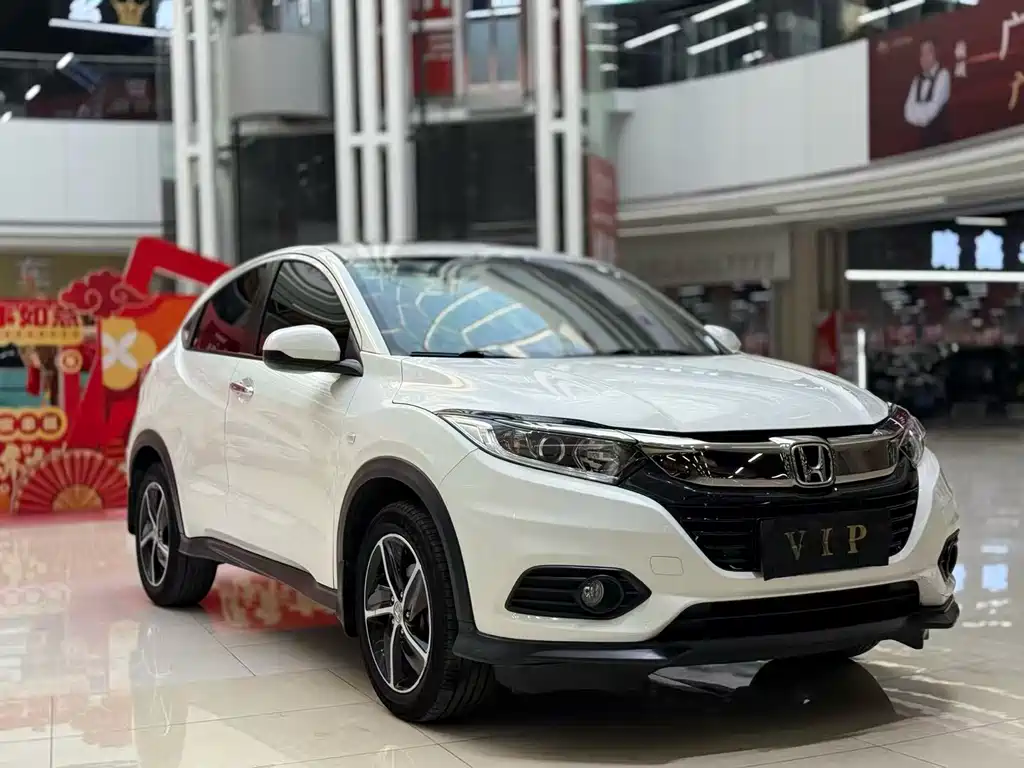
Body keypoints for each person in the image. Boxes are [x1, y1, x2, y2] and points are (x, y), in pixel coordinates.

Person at [903, 40, 951, 149]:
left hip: (941, 141)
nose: (924, 58)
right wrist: (920, 116)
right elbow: (908, 112)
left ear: (935, 54)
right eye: (922, 54)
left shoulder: (943, 75)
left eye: (928, 53)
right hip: (922, 141)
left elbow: (933, 109)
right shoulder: (917, 80)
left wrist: (918, 115)